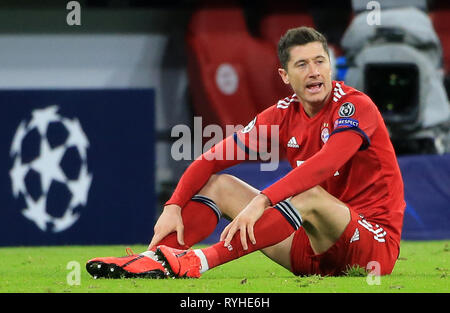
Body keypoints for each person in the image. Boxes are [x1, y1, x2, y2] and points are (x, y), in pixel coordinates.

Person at [86, 26, 405, 279]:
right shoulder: (281, 115)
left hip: (370, 248)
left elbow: (326, 165)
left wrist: (263, 199)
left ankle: (198, 262)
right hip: (311, 251)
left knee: (309, 193)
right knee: (219, 185)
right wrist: (173, 205)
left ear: (330, 66)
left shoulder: (355, 106)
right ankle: (151, 260)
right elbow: (211, 158)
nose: (314, 72)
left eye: (320, 61)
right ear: (285, 76)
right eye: (302, 64)